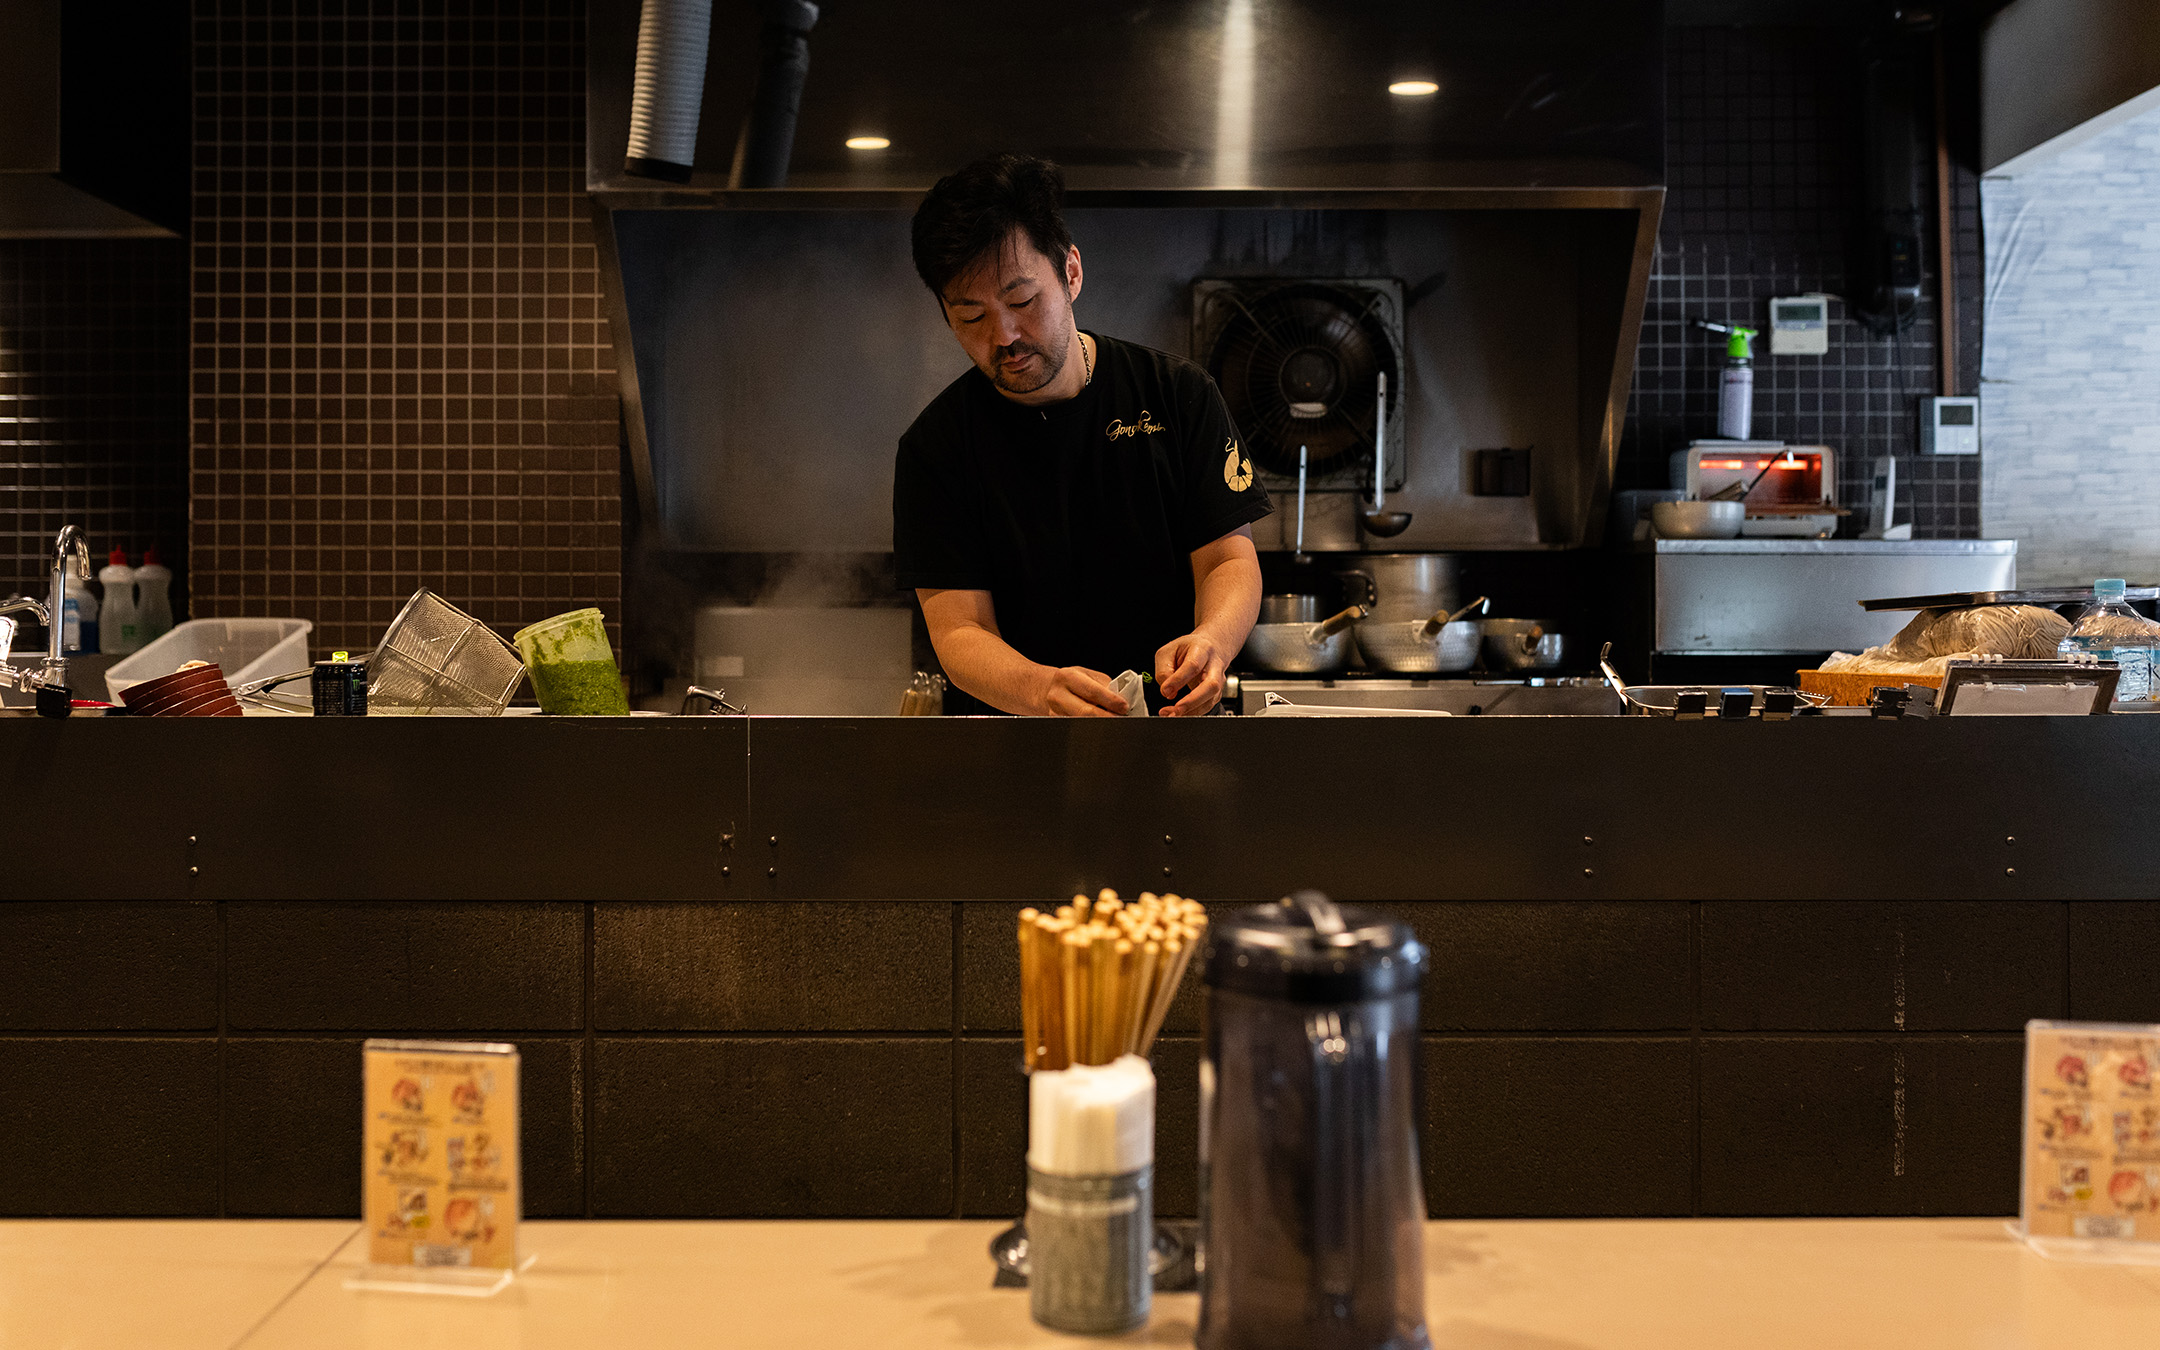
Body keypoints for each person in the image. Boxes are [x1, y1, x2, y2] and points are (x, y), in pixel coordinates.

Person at [893, 154, 1271, 717]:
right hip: (1012, 752)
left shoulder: (1177, 394)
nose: (1006, 335)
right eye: (972, 317)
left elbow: (1228, 561)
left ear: (1070, 273)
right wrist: (1039, 689)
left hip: (1175, 730)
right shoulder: (936, 449)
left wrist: (1212, 641)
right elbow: (960, 630)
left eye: (1023, 302)